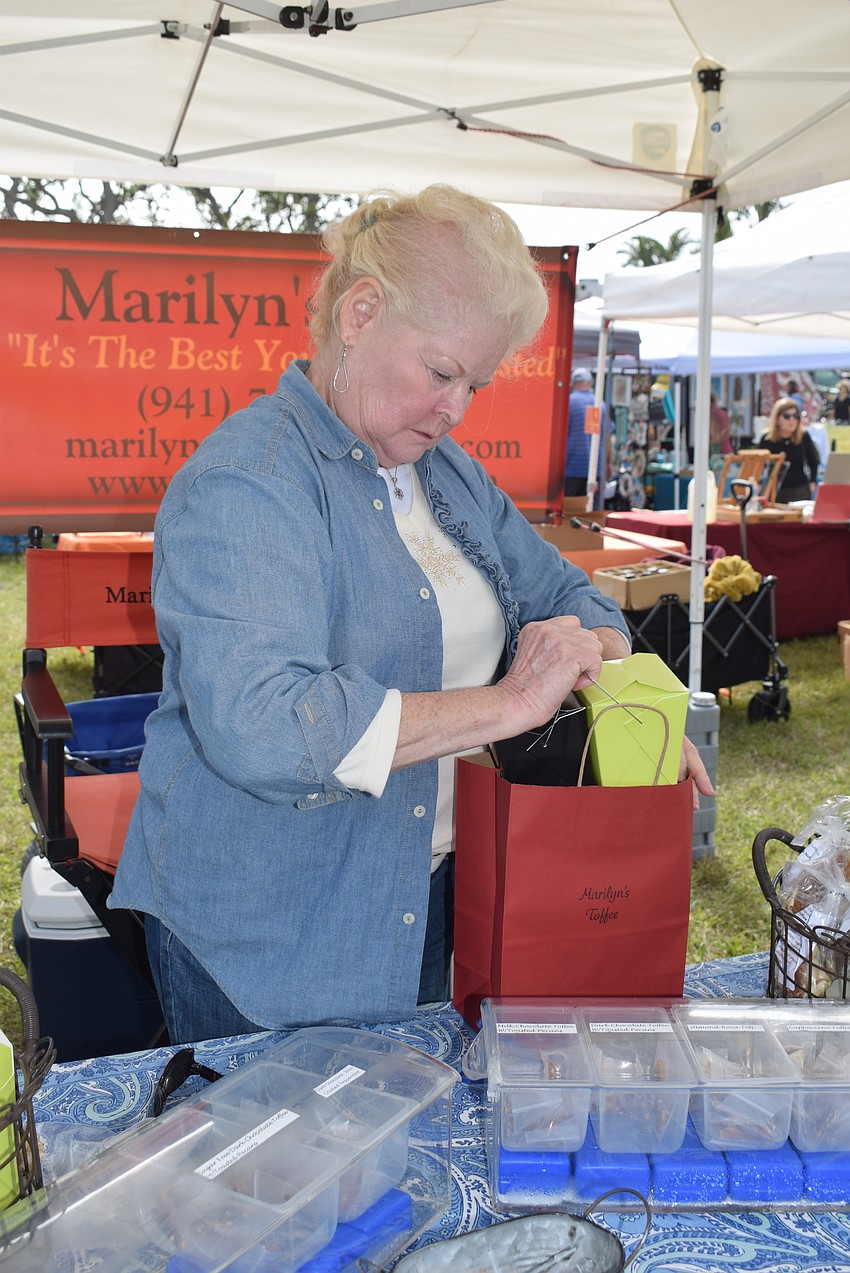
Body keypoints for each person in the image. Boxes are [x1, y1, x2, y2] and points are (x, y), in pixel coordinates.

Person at [109, 185, 712, 1043]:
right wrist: (506, 703)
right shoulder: (247, 483)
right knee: (283, 1168)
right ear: (360, 314)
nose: (456, 408)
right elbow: (265, 724)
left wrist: (601, 672)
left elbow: (571, 598)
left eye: (474, 382)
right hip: (271, 935)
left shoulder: (449, 474)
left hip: (430, 900)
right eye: (439, 373)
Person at [563, 367, 613, 499]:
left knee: (569, 511)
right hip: (595, 468)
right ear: (590, 383)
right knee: (591, 513)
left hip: (570, 468)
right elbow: (607, 437)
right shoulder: (599, 404)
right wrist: (609, 463)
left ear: (572, 383)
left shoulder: (566, 403)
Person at [759, 396, 820, 502]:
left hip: (799, 490)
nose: (792, 420)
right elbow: (759, 465)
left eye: (795, 416)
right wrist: (758, 484)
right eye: (787, 416)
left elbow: (813, 461)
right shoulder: (767, 439)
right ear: (777, 419)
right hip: (774, 490)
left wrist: (812, 483)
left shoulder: (803, 436)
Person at [709, 391, 733, 458]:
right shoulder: (721, 413)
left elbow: (723, 431)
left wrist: (712, 441)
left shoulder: (714, 414)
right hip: (726, 451)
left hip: (719, 453)